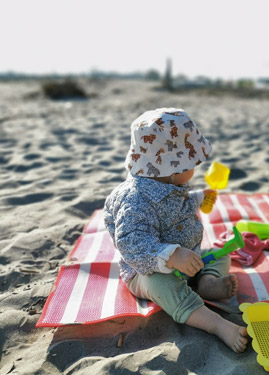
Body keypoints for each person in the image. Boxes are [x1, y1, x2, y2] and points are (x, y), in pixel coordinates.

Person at [103, 108, 248, 353]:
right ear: (171, 168)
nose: (196, 168)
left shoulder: (167, 183)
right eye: (192, 163)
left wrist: (201, 197)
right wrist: (171, 256)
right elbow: (131, 242)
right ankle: (216, 325)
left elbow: (177, 204)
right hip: (145, 271)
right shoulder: (135, 200)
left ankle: (206, 283)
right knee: (163, 286)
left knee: (220, 252)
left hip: (187, 260)